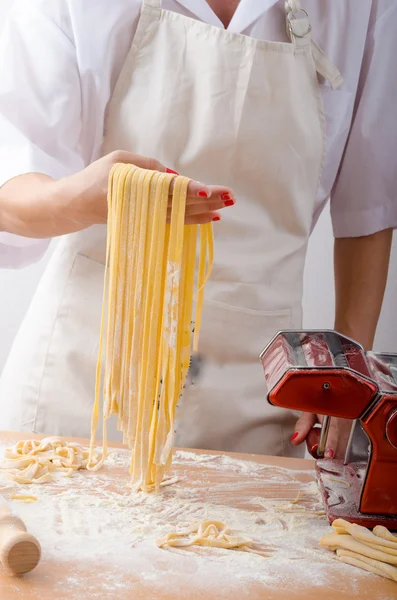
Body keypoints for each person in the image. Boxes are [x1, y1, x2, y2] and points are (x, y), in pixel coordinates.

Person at [0, 0, 395, 460]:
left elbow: (369, 207)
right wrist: (90, 198)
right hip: (82, 379)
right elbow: (11, 189)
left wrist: (345, 371)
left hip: (259, 387)